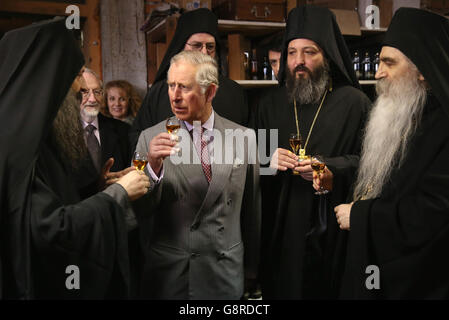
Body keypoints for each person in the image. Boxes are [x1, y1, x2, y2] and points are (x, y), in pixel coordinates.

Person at [0, 18, 150, 299]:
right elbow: (50, 230)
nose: (80, 86)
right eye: (77, 74)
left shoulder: (36, 132)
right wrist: (117, 194)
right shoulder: (19, 146)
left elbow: (53, 201)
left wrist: (97, 188)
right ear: (51, 75)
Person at [254, 5, 371, 299]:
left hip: (334, 228)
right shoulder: (268, 104)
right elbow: (249, 163)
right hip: (282, 228)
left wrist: (330, 166)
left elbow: (372, 166)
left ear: (327, 56)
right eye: (292, 53)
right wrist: (267, 161)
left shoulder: (354, 103)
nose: (299, 62)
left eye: (309, 52)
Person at [334, 8, 449, 299]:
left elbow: (433, 213)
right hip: (381, 267)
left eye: (389, 63)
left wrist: (360, 217)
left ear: (421, 69)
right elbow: (386, 180)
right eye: (378, 61)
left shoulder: (443, 128)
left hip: (420, 280)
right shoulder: (402, 113)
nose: (377, 72)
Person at [133, 50, 261, 299]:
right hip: (173, 276)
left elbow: (251, 210)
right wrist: (153, 168)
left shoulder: (245, 137)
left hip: (224, 272)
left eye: (185, 87)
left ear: (210, 92)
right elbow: (139, 213)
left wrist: (251, 269)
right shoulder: (149, 138)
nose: (175, 96)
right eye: (171, 86)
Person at [130, 8, 249, 149]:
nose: (204, 52)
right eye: (197, 45)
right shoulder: (159, 92)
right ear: (181, 47)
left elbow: (247, 142)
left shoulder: (234, 92)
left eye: (210, 46)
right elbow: (136, 139)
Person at [74, 69, 133, 200]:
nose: (92, 99)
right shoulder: (62, 134)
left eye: (97, 92)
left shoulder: (123, 130)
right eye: (84, 92)